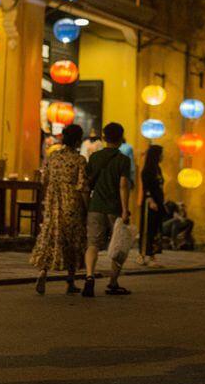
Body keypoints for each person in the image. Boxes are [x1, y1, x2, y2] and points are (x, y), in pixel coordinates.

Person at [30, 124, 88, 295]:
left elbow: (44, 179)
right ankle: (70, 281)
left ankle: (42, 272)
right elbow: (82, 186)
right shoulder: (79, 160)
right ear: (78, 140)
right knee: (72, 240)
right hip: (71, 203)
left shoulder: (53, 156)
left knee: (50, 237)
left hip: (53, 203)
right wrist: (86, 207)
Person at [82, 122, 132, 297]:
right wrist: (125, 210)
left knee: (93, 244)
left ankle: (89, 276)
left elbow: (87, 184)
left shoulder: (94, 157)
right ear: (120, 139)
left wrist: (86, 205)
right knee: (118, 245)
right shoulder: (123, 160)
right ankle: (113, 282)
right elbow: (123, 185)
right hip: (114, 207)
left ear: (104, 137)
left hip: (95, 206)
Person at [137, 145, 165, 266]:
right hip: (150, 204)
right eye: (161, 154)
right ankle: (145, 254)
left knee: (155, 229)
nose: (163, 156)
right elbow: (146, 186)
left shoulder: (157, 168)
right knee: (147, 229)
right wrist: (150, 199)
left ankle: (151, 254)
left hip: (158, 202)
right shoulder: (148, 169)